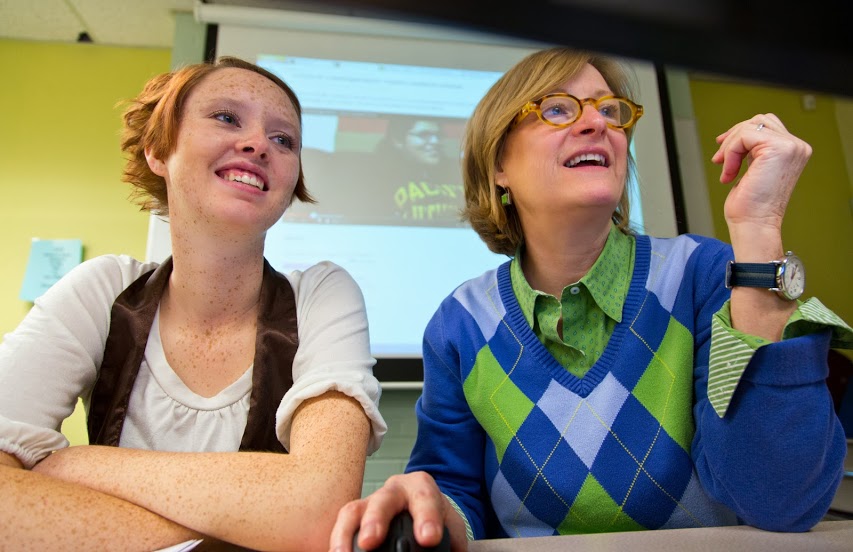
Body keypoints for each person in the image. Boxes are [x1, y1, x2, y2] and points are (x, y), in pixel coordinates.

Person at [330, 47, 853, 551]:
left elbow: (782, 501)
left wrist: (759, 228)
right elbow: (457, 495)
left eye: (610, 110)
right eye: (557, 108)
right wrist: (434, 514)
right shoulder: (461, 323)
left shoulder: (704, 274)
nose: (598, 123)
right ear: (498, 168)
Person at [0, 56, 386, 551]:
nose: (257, 145)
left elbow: (317, 511)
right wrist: (253, 521)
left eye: (283, 139)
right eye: (227, 118)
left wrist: (73, 466)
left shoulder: (321, 295)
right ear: (158, 152)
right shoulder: (102, 289)